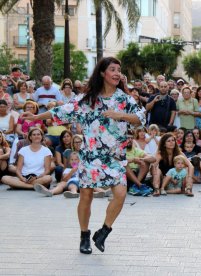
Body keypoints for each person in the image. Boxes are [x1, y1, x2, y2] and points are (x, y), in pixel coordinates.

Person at [20, 57, 146, 254]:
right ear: (103, 73)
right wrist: (37, 117)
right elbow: (62, 111)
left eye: (119, 70)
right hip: (90, 155)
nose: (117, 73)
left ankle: (104, 231)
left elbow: (141, 118)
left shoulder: (124, 98)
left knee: (121, 194)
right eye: (112, 69)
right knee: (86, 195)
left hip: (114, 157)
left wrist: (120, 115)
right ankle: (84, 235)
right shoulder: (87, 99)